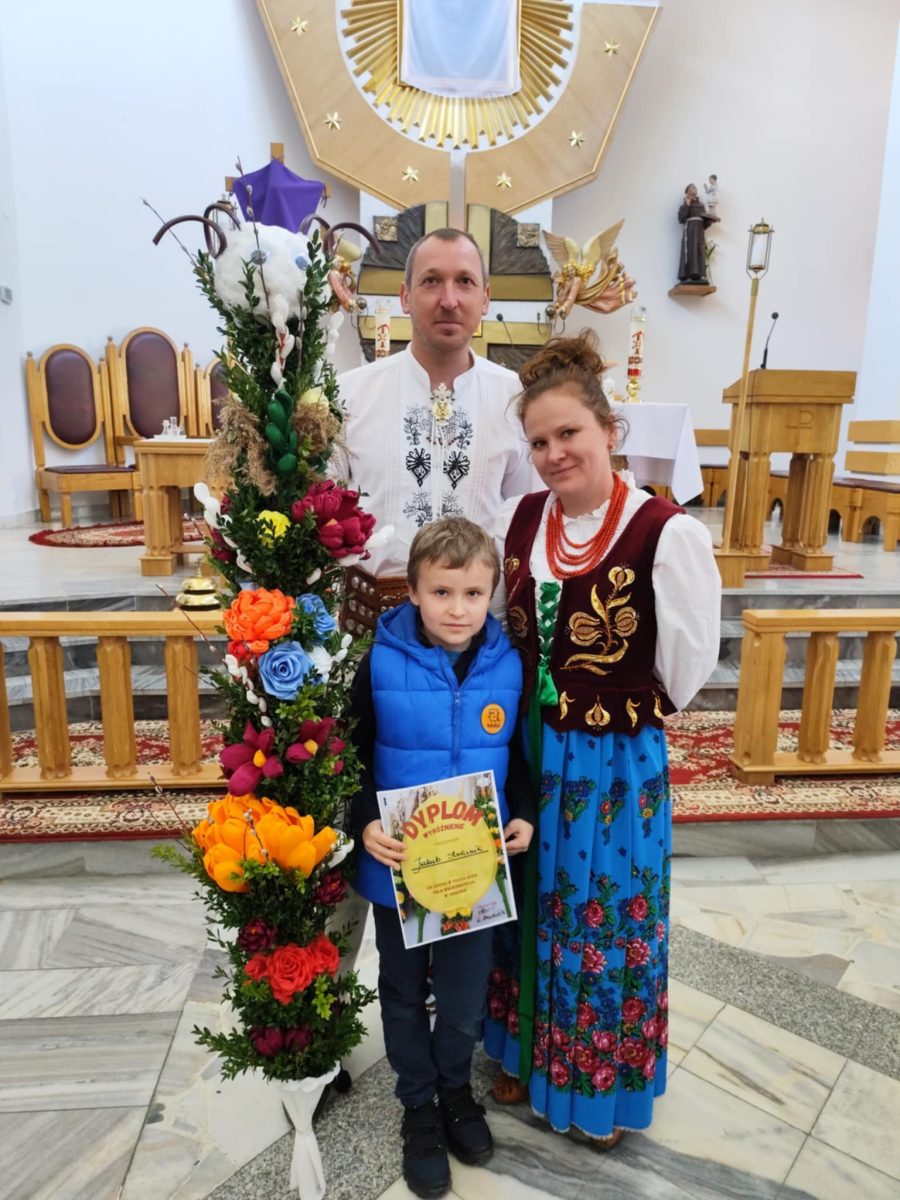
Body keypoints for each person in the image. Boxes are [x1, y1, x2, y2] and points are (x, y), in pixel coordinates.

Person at [483, 331, 721, 1147]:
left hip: (611, 767)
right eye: (539, 441)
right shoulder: (519, 521)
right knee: (523, 909)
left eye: (569, 433)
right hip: (524, 755)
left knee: (599, 921)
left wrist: (610, 705)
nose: (554, 454)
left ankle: (595, 1083)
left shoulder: (664, 531)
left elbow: (685, 666)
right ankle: (522, 1050)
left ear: (610, 430)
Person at [348, 516, 536, 1199]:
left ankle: (455, 1090)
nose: (458, 609)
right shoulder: (378, 661)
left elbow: (519, 759)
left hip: (474, 873)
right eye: (442, 592)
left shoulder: (509, 666)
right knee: (402, 991)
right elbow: (352, 754)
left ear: (492, 595)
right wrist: (365, 822)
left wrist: (523, 814)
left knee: (461, 996)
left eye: (474, 594)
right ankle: (418, 1105)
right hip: (399, 867)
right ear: (413, 592)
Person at [333, 228, 537, 580]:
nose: (449, 300)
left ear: (485, 298)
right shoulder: (348, 394)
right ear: (405, 296)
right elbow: (321, 515)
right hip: (372, 610)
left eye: (465, 282)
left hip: (482, 609)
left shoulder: (517, 400)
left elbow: (528, 518)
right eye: (431, 281)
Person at [677, 183, 719, 284]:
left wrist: (709, 221)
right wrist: (687, 204)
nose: (695, 188)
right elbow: (681, 218)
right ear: (687, 191)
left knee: (699, 251)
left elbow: (704, 223)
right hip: (690, 231)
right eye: (692, 187)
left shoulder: (701, 205)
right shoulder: (684, 205)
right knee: (690, 251)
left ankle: (698, 274)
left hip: (699, 232)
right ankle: (686, 274)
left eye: (695, 187)